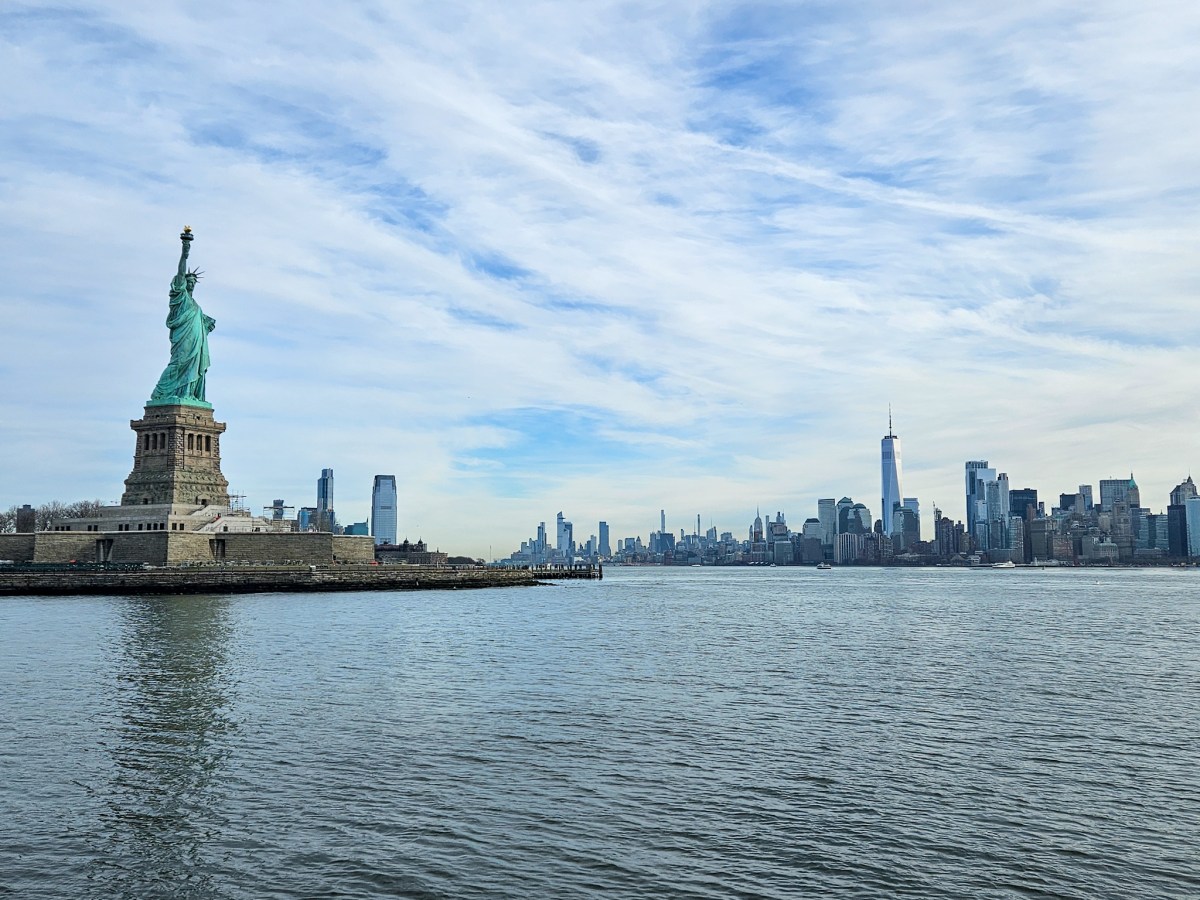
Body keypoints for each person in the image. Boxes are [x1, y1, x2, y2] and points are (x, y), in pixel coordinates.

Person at [149, 228, 216, 405]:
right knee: (179, 362)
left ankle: (188, 394)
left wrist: (206, 323)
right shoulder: (180, 296)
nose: (192, 284)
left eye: (194, 282)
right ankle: (160, 393)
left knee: (193, 364)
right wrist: (185, 251)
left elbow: (199, 322)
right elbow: (180, 272)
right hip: (184, 338)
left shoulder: (195, 305)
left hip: (196, 340)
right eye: (189, 281)